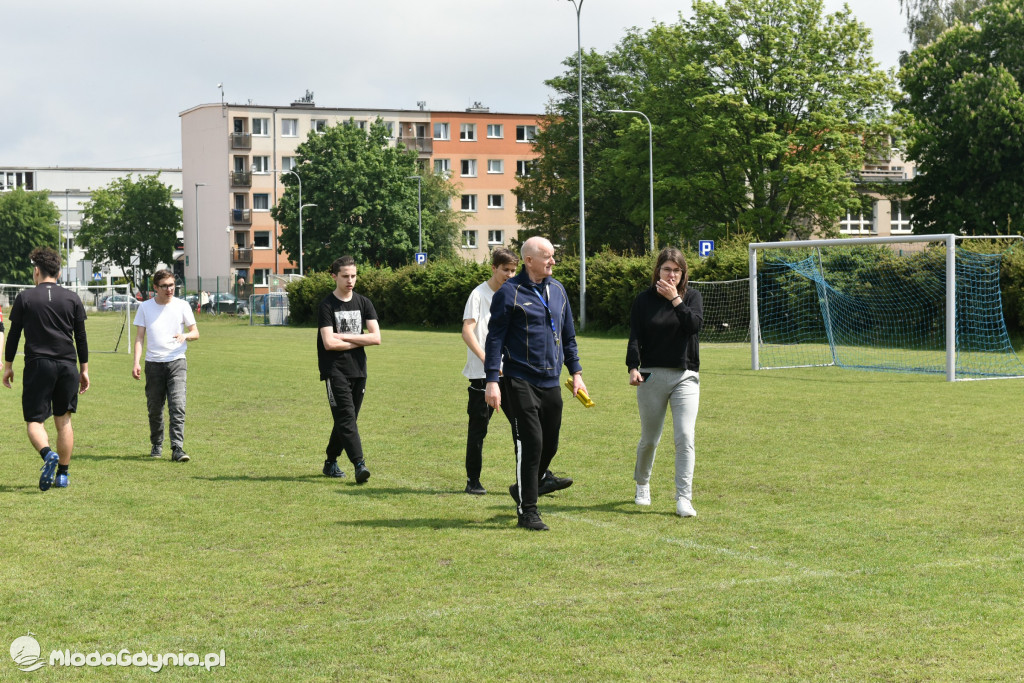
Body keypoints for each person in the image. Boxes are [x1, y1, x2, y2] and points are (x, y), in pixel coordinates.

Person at [485, 236, 586, 531]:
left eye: (553, 255)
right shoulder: (509, 293)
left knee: (550, 442)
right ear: (529, 260)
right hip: (518, 379)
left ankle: (528, 484)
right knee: (531, 442)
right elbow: (495, 339)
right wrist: (492, 380)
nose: (553, 261)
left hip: (551, 380)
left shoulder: (558, 290)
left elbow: (568, 336)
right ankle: (527, 511)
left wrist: (576, 372)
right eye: (547, 257)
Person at [2, 247, 90, 491]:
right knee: (64, 421)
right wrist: (84, 369)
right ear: (59, 272)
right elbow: (80, 338)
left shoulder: (25, 298)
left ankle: (47, 454)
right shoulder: (72, 298)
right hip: (67, 365)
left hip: (38, 365)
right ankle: (63, 474)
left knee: (34, 420)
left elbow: (13, 337)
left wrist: (8, 366)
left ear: (37, 271)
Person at [626, 246, 704, 518]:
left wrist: (676, 300)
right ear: (658, 270)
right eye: (667, 269)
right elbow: (635, 335)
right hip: (651, 375)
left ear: (683, 274)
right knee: (650, 439)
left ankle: (684, 498)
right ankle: (642, 484)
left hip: (685, 376)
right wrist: (632, 367)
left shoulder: (692, 297)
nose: (672, 275)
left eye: (677, 271)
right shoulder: (643, 300)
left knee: (685, 437)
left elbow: (693, 326)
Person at [317, 255, 381, 483]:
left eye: (353, 276)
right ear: (334, 276)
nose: (350, 280)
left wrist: (344, 336)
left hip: (358, 370)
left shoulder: (364, 303)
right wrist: (359, 339)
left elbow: (376, 338)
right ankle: (359, 465)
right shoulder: (326, 305)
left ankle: (330, 461)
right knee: (346, 418)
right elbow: (328, 343)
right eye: (345, 276)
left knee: (348, 419)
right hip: (334, 370)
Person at [461, 247, 519, 495]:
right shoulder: (478, 295)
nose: (509, 274)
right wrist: (488, 362)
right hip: (483, 375)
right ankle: (473, 481)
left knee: (522, 429)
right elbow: (467, 331)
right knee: (478, 429)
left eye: (513, 270)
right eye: (505, 270)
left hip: (512, 374)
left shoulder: (515, 293)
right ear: (494, 268)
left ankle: (529, 480)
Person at [132, 270, 199, 462]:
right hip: (153, 364)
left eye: (172, 285)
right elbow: (139, 337)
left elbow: (195, 332)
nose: (170, 289)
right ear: (155, 288)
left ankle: (177, 448)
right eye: (165, 286)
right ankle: (156, 443)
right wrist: (136, 362)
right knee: (155, 408)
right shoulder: (145, 307)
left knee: (178, 405)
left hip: (177, 362)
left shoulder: (182, 305)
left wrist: (185, 335)